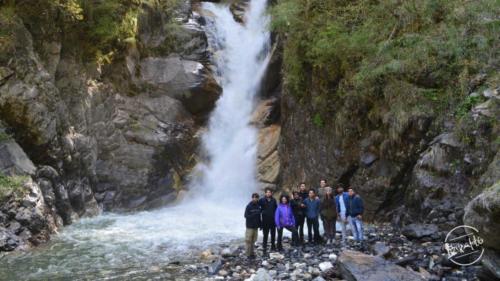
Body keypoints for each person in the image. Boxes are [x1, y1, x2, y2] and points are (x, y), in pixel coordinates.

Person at [259, 187, 277, 253]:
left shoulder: (274, 200)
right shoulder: (261, 200)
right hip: (265, 220)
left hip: (272, 220)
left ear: (271, 193)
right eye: (267, 192)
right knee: (265, 234)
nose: (268, 193)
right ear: (265, 193)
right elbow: (258, 209)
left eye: (269, 192)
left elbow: (276, 209)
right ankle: (264, 246)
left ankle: (273, 246)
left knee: (273, 234)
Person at [244, 193, 261, 258]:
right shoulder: (248, 206)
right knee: (248, 240)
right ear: (252, 198)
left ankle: (252, 253)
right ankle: (247, 255)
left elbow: (259, 216)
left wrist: (260, 224)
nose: (254, 199)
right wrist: (253, 215)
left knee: (253, 240)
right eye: (253, 197)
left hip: (256, 226)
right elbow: (245, 216)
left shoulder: (258, 206)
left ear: (257, 199)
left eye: (256, 198)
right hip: (249, 226)